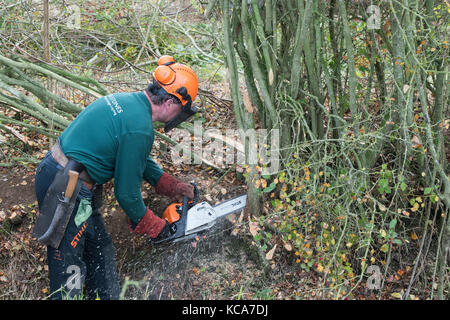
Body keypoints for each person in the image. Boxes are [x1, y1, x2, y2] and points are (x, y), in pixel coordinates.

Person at [33, 56, 198, 299]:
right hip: (66, 187)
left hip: (64, 177)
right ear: (173, 101)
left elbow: (134, 157)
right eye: (182, 109)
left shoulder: (129, 102)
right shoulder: (139, 127)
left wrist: (170, 184)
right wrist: (157, 227)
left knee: (99, 250)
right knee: (69, 269)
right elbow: (127, 194)